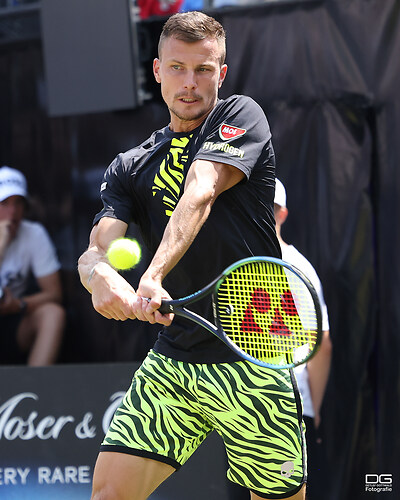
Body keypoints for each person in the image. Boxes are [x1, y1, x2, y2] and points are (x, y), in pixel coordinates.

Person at [78, 11, 307, 500]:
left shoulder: (241, 115)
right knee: (109, 492)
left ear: (221, 74)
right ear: (157, 70)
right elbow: (96, 248)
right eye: (177, 68)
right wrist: (101, 278)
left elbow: (200, 190)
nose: (190, 82)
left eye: (204, 69)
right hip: (175, 358)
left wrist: (152, 275)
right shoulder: (129, 166)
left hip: (256, 350)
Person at [274, 178, 332, 498]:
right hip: (290, 410)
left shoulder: (301, 269)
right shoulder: (302, 268)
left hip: (239, 406)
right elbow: (322, 346)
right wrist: (314, 408)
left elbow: (320, 345)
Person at [0, 166, 65, 366]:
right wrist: (2, 245)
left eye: (19, 203)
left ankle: (36, 389)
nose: (13, 212)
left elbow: (54, 294)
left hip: (13, 324)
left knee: (53, 313)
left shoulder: (33, 233)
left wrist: (18, 305)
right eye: (4, 203)